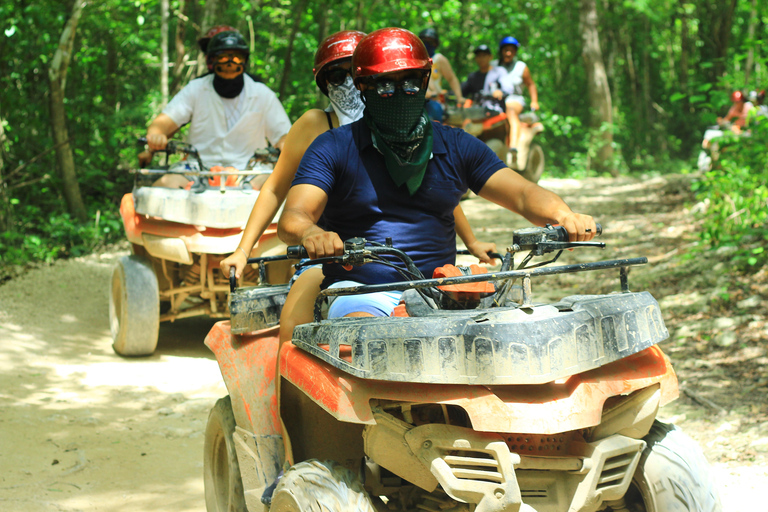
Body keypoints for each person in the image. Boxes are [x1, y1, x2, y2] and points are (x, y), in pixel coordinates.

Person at [277, 28, 595, 322]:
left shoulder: (455, 145)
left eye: (411, 82)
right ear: (364, 87)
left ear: (426, 81)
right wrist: (310, 234)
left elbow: (523, 193)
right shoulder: (334, 146)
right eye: (386, 85)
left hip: (447, 294)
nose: (401, 93)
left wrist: (563, 215)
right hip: (362, 293)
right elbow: (295, 215)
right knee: (366, 345)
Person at [219, 30, 496, 342]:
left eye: (354, 73)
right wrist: (243, 250)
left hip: (409, 265)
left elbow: (433, 194)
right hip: (331, 256)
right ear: (324, 83)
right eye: (337, 75)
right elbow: (275, 189)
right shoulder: (317, 127)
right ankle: (286, 389)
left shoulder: (407, 127)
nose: (348, 83)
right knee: (294, 330)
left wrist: (472, 243)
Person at [143, 29, 291, 188]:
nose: (229, 63)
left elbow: (284, 135)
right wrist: (156, 134)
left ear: (244, 61)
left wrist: (285, 144)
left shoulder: (262, 94)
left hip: (250, 171)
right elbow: (163, 123)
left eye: (236, 57)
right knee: (162, 188)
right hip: (198, 169)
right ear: (212, 61)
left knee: (276, 187)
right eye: (222, 57)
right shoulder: (196, 89)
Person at [488, 36, 539, 163]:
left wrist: (534, 101)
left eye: (511, 50)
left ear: (515, 52)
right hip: (494, 101)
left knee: (510, 109)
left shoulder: (521, 67)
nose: (508, 53)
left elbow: (530, 84)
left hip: (514, 99)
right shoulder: (493, 65)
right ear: (501, 51)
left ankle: (514, 147)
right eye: (506, 50)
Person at [418, 28, 465, 121]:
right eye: (424, 41)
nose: (427, 44)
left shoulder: (438, 59)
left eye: (431, 42)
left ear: (436, 44)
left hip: (434, 101)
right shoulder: (414, 60)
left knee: (434, 111)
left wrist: (459, 97)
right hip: (417, 100)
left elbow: (451, 78)